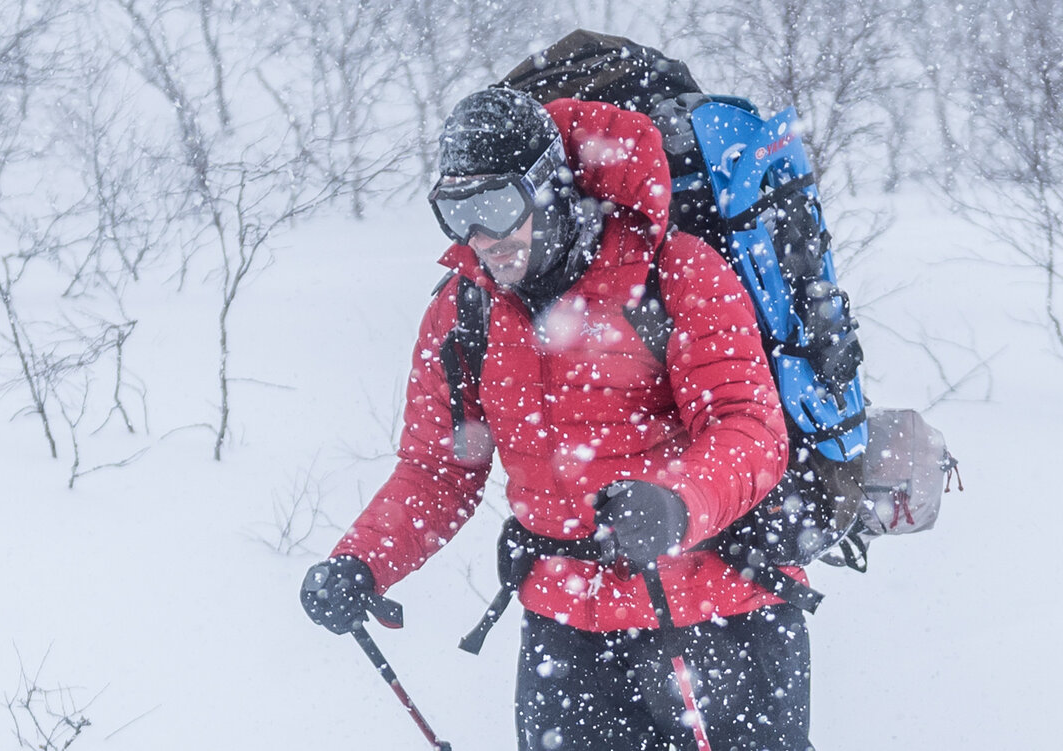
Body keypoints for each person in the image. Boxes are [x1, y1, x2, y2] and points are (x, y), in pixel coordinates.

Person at [300, 86, 814, 751]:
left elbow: (750, 428)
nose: (481, 236)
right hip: (567, 635)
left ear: (546, 186)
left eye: (495, 206)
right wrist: (362, 562)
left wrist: (677, 504)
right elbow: (437, 469)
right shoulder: (464, 314)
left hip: (720, 618)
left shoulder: (676, 271)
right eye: (457, 213)